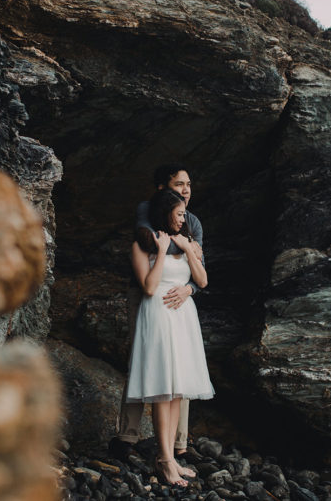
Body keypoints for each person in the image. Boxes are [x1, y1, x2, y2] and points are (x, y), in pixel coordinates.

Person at [113, 164, 205, 462]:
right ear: (162, 189)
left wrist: (189, 288)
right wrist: (171, 246)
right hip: (146, 293)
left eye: (188, 184)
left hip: (180, 298)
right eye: (179, 184)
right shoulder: (147, 210)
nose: (186, 189)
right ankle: (127, 436)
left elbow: (201, 270)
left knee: (183, 368)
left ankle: (178, 443)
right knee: (142, 360)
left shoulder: (194, 222)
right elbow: (148, 239)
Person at [125, 188, 214, 487]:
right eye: (178, 214)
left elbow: (202, 280)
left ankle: (172, 460)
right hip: (159, 315)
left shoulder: (186, 241)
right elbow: (149, 287)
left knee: (178, 391)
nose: (183, 219)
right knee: (163, 389)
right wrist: (162, 251)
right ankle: (164, 460)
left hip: (184, 317)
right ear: (164, 213)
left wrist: (188, 249)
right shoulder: (142, 247)